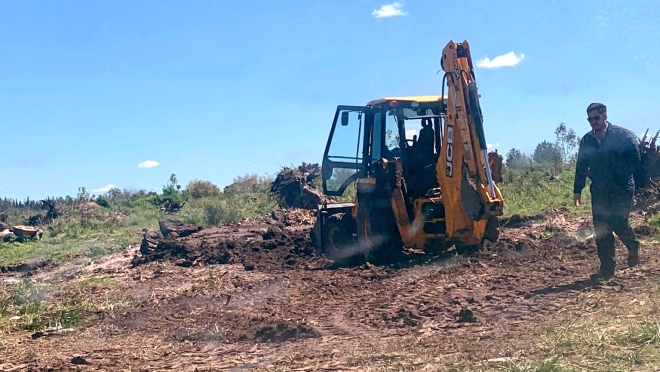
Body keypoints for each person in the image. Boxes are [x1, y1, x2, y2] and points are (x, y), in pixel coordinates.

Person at [573, 102, 643, 280]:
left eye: (596, 118)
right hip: (599, 190)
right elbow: (581, 165)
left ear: (605, 116)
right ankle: (607, 270)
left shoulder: (623, 136)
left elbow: (635, 160)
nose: (593, 122)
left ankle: (633, 245)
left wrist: (623, 176)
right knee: (602, 228)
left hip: (622, 188)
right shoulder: (587, 140)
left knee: (619, 221)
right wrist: (577, 190)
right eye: (590, 119)